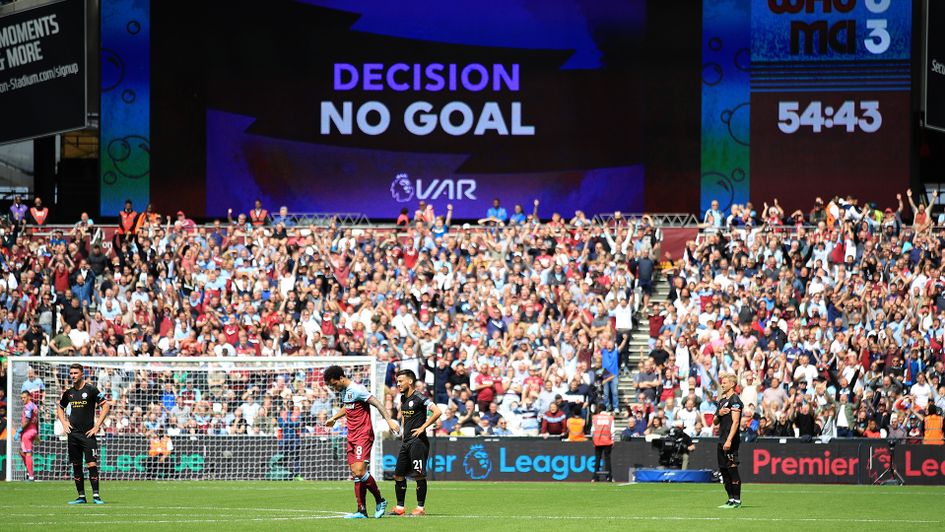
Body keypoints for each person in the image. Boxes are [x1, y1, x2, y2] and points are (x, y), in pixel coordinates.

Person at [323, 365, 399, 519]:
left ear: (341, 378)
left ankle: (380, 500)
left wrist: (389, 421)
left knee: (360, 471)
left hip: (363, 435)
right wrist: (334, 418)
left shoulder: (357, 389)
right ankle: (361, 510)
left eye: (334, 384)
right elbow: (348, 407)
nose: (334, 387)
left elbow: (377, 403)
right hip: (352, 435)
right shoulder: (345, 392)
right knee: (356, 474)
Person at [56, 363, 111, 504]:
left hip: (88, 434)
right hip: (73, 434)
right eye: (71, 373)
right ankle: (81, 497)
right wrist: (64, 422)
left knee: (91, 464)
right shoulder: (69, 392)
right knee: (76, 465)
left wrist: (97, 426)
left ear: (82, 374)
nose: (73, 376)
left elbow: (106, 405)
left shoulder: (91, 389)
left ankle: (96, 496)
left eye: (75, 373)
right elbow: (60, 407)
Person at [390, 369, 441, 517]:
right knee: (398, 475)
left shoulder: (419, 397)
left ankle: (420, 508)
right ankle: (400, 508)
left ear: (410, 381)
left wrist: (423, 427)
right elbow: (405, 417)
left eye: (401, 381)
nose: (398, 384)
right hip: (406, 441)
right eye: (397, 381)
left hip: (418, 442)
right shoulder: (402, 398)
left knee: (418, 475)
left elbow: (437, 411)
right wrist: (403, 432)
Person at [713, 372, 743, 509]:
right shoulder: (721, 401)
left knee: (732, 469)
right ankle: (730, 499)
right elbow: (714, 421)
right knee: (723, 470)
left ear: (732, 384)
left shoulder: (735, 401)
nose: (722, 384)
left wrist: (729, 440)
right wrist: (719, 413)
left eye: (724, 382)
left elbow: (735, 422)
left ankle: (737, 500)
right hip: (721, 439)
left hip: (730, 440)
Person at [16, 390, 39, 481]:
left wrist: (20, 430)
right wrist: (36, 432)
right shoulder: (34, 406)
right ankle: (29, 472)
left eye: (24, 397)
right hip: (33, 430)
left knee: (28, 453)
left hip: (27, 432)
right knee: (22, 452)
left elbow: (28, 419)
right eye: (21, 398)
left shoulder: (28, 406)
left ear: (29, 397)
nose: (23, 399)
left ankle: (31, 475)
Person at [591, 410, 614, 482]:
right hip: (607, 440)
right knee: (607, 459)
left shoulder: (595, 417)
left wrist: (593, 440)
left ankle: (595, 477)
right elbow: (613, 430)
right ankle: (609, 477)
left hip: (597, 441)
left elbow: (592, 430)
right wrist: (613, 439)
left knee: (597, 459)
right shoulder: (610, 418)